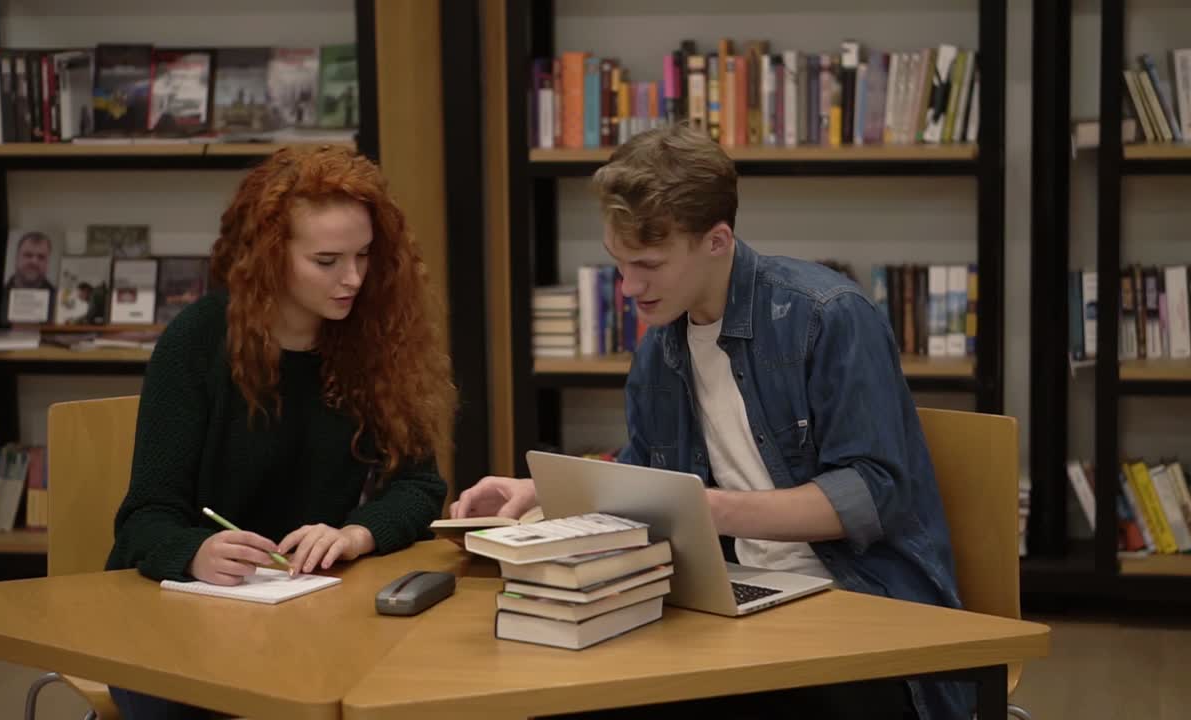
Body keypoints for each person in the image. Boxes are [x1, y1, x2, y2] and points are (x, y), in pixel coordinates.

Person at [451, 125, 970, 720]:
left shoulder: (828, 317)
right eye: (618, 264)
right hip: (729, 597)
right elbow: (646, 477)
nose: (628, 288)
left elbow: (873, 495)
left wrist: (706, 507)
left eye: (648, 264)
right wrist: (539, 492)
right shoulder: (659, 348)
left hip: (862, 604)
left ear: (717, 241)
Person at [105, 145, 455, 719]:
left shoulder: (374, 340)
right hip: (182, 621)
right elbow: (144, 518)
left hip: (311, 611)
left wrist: (354, 535)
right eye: (327, 261)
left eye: (364, 255)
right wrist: (196, 551)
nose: (353, 278)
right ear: (270, 256)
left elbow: (419, 487)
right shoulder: (197, 343)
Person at [3, 230, 56, 322]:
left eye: (41, 257)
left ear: (47, 263)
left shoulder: (57, 303)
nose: (34, 262)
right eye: (28, 255)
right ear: (16, 258)